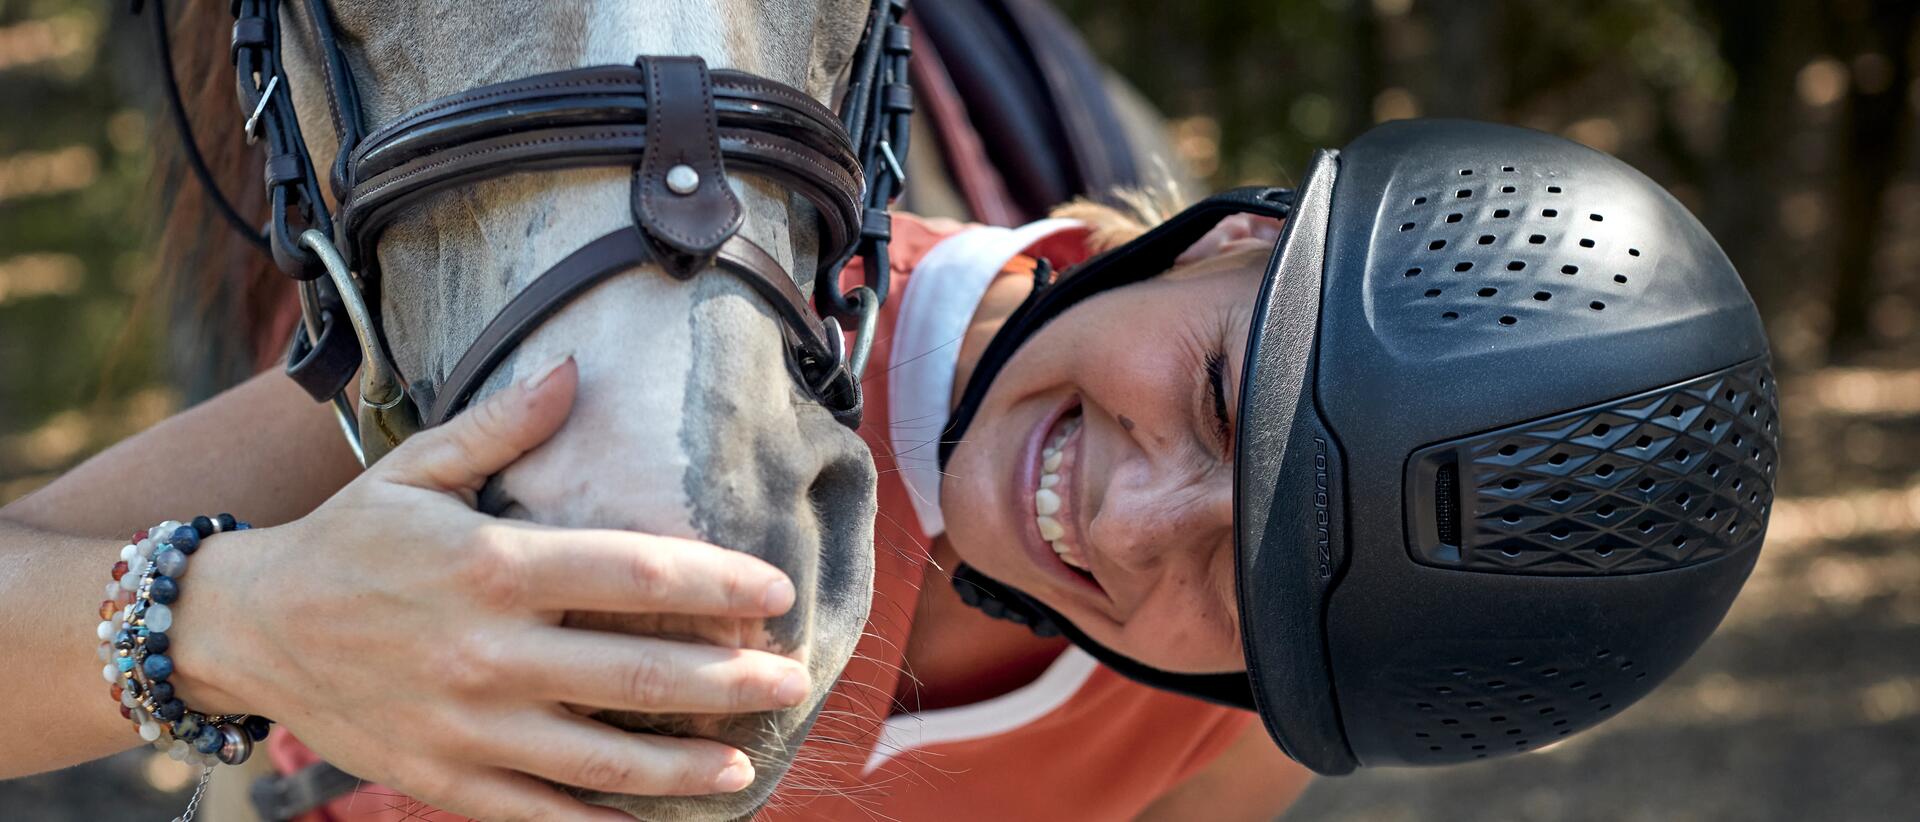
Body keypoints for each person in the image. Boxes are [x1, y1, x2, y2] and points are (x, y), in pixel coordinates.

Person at [0, 120, 1776, 820]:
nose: (1130, 518)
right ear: (1236, 238)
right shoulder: (622, 320)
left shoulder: (1230, 726)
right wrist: (238, 618)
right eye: (1230, 396)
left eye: (1247, 586)